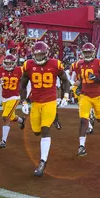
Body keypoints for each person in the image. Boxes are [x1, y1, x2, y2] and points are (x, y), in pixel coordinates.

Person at [20, 41, 70, 177]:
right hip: (36, 102)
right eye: (37, 55)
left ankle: (42, 161)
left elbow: (65, 80)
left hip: (50, 101)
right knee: (36, 132)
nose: (40, 58)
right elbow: (23, 85)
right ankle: (55, 117)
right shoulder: (28, 65)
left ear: (47, 53)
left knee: (44, 129)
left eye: (42, 55)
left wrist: (66, 95)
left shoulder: (55, 64)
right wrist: (24, 101)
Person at [73, 42, 100, 157]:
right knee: (83, 119)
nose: (88, 54)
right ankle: (81, 146)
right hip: (85, 95)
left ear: (94, 52)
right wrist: (79, 88)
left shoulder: (99, 63)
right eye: (86, 52)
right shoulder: (79, 64)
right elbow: (82, 79)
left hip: (97, 96)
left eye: (89, 52)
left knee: (99, 117)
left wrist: (97, 79)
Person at [0, 55, 25, 148]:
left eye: (11, 63)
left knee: (6, 116)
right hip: (4, 98)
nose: (9, 65)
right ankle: (21, 120)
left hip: (14, 97)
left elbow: (26, 79)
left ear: (14, 63)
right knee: (11, 116)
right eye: (7, 63)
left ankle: (3, 141)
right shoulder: (0, 70)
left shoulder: (20, 70)